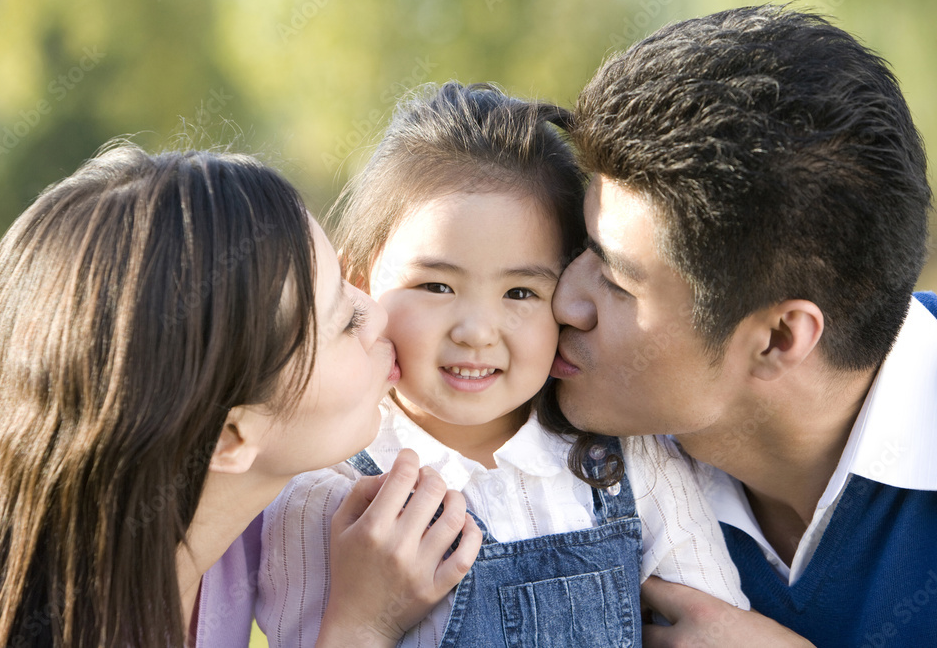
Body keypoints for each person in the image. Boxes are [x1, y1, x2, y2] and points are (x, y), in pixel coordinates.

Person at [251, 81, 748, 648]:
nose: (476, 331)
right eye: (436, 285)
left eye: (520, 294)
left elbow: (714, 624)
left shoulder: (625, 460)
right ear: (360, 282)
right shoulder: (331, 495)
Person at [0, 144, 481, 647]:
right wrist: (363, 627)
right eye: (343, 321)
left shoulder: (226, 525)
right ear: (230, 436)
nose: (378, 312)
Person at [550, 5, 937, 647]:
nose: (563, 300)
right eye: (579, 244)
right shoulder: (535, 425)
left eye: (616, 282)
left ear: (778, 339)